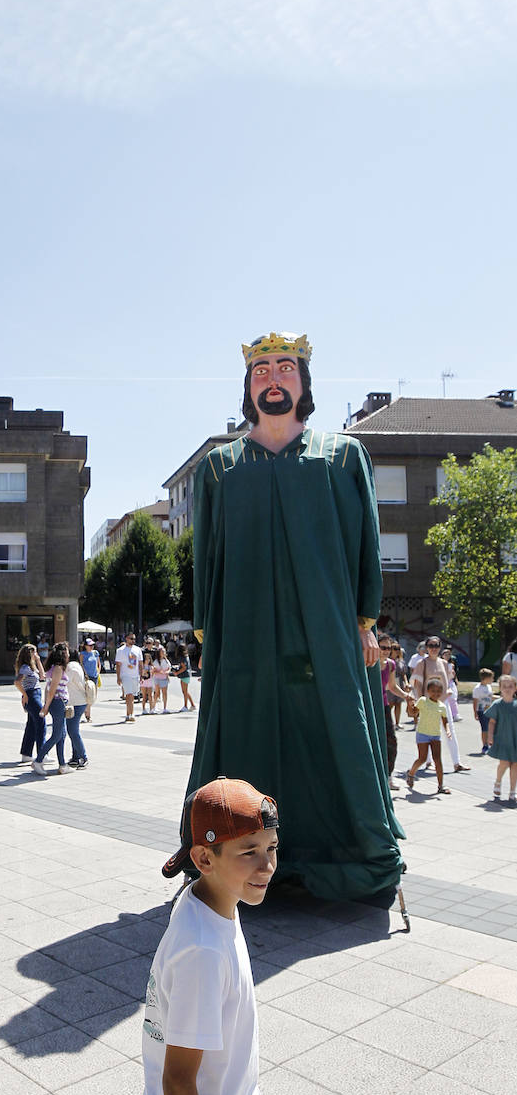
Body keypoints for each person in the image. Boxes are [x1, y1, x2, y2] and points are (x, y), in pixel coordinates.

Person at [187, 331, 405, 902]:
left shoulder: (341, 456)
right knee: (245, 731)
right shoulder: (220, 469)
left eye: (285, 369)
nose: (274, 380)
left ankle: (349, 856)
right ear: (248, 388)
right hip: (244, 633)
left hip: (327, 629)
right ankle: (234, 863)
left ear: (304, 383)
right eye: (262, 372)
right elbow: (205, 558)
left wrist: (366, 622)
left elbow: (366, 545)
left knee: (335, 732)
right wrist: (207, 632)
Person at [142, 778, 296, 1095]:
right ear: (204, 859)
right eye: (248, 852)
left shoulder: (210, 902)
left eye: (272, 848)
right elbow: (178, 1081)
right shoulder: (202, 951)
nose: (267, 865)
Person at [411, 637, 469, 773]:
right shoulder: (422, 663)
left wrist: (448, 692)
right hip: (428, 704)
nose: (434, 648)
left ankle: (456, 762)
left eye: (436, 645)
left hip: (443, 702)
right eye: (431, 645)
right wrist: (420, 703)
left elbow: (448, 681)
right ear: (426, 647)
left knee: (450, 731)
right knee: (428, 731)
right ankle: (428, 762)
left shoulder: (444, 663)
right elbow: (418, 684)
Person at [405, 676, 452, 795]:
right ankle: (411, 773)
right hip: (423, 734)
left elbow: (445, 721)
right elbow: (413, 714)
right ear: (428, 691)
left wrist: (447, 730)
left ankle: (441, 785)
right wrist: (409, 704)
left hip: (435, 735)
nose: (436, 693)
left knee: (437, 760)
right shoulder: (423, 701)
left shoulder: (442, 706)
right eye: (433, 691)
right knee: (422, 758)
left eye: (438, 691)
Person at [34, 641, 71, 774]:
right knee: (56, 735)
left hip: (57, 702)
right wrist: (46, 706)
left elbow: (48, 688)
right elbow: (52, 689)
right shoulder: (58, 668)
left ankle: (62, 764)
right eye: (66, 651)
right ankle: (38, 760)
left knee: (62, 734)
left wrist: (46, 704)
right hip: (58, 702)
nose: (68, 654)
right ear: (62, 653)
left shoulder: (55, 668)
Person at [378, 633, 408, 790]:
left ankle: (389, 776)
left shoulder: (390, 664)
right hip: (369, 706)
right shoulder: (368, 662)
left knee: (391, 741)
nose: (386, 651)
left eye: (389, 648)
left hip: (384, 706)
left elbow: (391, 686)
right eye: (382, 647)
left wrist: (406, 696)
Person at [487, 673, 517, 803]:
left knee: (515, 765)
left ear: (515, 688)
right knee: (504, 763)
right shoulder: (497, 704)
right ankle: (498, 782)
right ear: (500, 688)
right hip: (503, 739)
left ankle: (512, 791)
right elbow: (492, 722)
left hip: (515, 739)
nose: (507, 689)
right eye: (504, 686)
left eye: (510, 686)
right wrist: (490, 736)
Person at [14, 643, 46, 763]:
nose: (36, 654)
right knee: (41, 723)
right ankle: (42, 754)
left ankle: (26, 754)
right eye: (35, 652)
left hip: (36, 694)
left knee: (31, 725)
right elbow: (17, 682)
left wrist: (38, 660)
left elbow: (42, 676)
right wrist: (25, 694)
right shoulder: (25, 668)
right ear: (29, 654)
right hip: (32, 696)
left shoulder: (31, 667)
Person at [65, 648, 89, 769]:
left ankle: (83, 757)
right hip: (79, 701)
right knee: (73, 730)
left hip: (75, 702)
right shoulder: (77, 665)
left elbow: (63, 681)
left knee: (73, 731)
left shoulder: (70, 667)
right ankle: (75, 757)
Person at [116, 631, 143, 723]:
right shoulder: (120, 650)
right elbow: (118, 665)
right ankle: (131, 714)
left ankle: (128, 713)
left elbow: (140, 663)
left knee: (132, 695)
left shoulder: (138, 650)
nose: (133, 641)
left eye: (134, 639)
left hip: (135, 676)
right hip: (125, 675)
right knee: (129, 694)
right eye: (131, 639)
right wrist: (118, 677)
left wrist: (141, 675)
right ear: (126, 639)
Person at [472, 667, 495, 756]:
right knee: (485, 729)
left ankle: (491, 744)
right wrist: (475, 712)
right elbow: (475, 701)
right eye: (491, 678)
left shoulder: (488, 687)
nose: (493, 680)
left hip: (490, 710)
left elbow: (490, 697)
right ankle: (485, 745)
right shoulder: (478, 688)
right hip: (482, 711)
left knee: (491, 728)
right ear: (485, 678)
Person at [171, 642, 196, 712]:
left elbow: (184, 668)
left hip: (184, 675)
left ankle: (185, 706)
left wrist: (176, 672)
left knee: (184, 691)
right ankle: (192, 705)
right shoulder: (186, 656)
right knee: (185, 691)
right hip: (187, 675)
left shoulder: (182, 658)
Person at [81, 638, 100, 721]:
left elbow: (98, 663)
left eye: (92, 645)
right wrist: (84, 674)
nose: (91, 647)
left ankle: (87, 711)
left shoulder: (95, 653)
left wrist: (98, 672)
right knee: (87, 694)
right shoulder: (82, 654)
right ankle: (87, 714)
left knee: (93, 696)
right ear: (85, 646)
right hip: (87, 677)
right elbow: (81, 664)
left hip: (94, 676)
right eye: (89, 645)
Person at [152, 644, 173, 714]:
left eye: (164, 652)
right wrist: (160, 671)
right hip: (157, 678)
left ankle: (165, 708)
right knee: (157, 693)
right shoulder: (156, 661)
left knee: (164, 693)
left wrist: (166, 672)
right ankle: (153, 707)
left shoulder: (166, 661)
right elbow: (154, 670)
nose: (163, 653)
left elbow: (169, 668)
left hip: (164, 678)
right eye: (162, 652)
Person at [440, 648, 459, 722]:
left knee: (453, 698)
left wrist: (455, 679)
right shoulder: (440, 663)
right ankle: (444, 714)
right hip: (442, 682)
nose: (447, 656)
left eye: (449, 654)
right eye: (445, 654)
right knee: (444, 699)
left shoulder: (451, 664)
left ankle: (455, 714)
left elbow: (453, 674)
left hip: (450, 682)